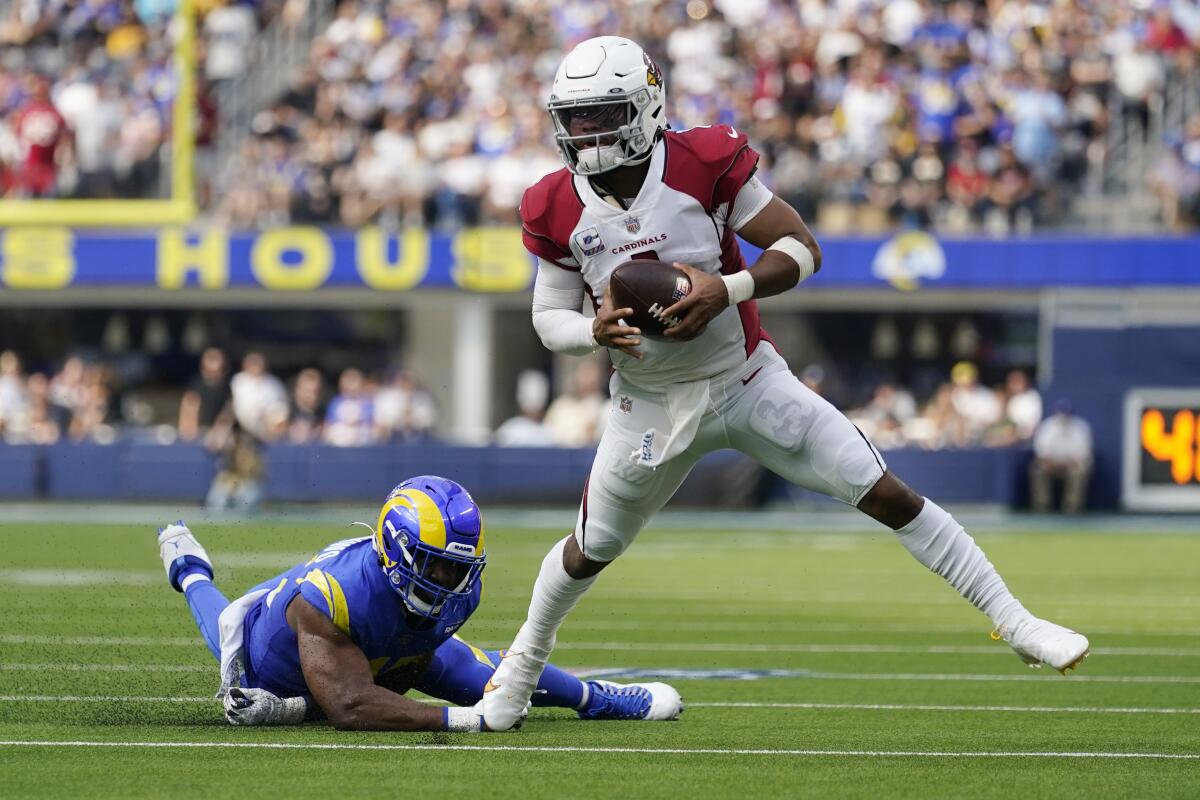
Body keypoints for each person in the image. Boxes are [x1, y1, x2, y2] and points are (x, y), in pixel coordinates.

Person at [480, 36, 1090, 732]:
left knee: (885, 491)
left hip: (745, 380)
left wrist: (727, 288)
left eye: (604, 114)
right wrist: (590, 332)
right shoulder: (553, 202)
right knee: (588, 550)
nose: (586, 133)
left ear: (647, 107)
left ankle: (1015, 622)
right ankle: (523, 665)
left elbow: (802, 247)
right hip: (646, 403)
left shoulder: (702, 160)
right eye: (576, 117)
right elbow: (547, 315)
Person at [157, 476, 681, 731]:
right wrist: (466, 720)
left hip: (386, 647)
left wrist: (489, 696)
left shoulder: (458, 588)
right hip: (276, 658)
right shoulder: (332, 597)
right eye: (436, 565)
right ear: (398, 551)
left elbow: (411, 674)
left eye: (458, 566)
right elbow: (350, 706)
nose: (450, 580)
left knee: (500, 681)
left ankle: (597, 698)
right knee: (225, 618)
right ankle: (190, 570)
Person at [1030, 400, 1093, 514]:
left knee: (1079, 471)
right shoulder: (1047, 426)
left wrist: (1066, 464)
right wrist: (1052, 464)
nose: (1063, 418)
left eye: (1066, 414)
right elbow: (1041, 455)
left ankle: (1072, 509)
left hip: (1071, 466)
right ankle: (1042, 508)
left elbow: (1082, 458)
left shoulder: (1080, 428)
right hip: (1051, 466)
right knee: (1038, 469)